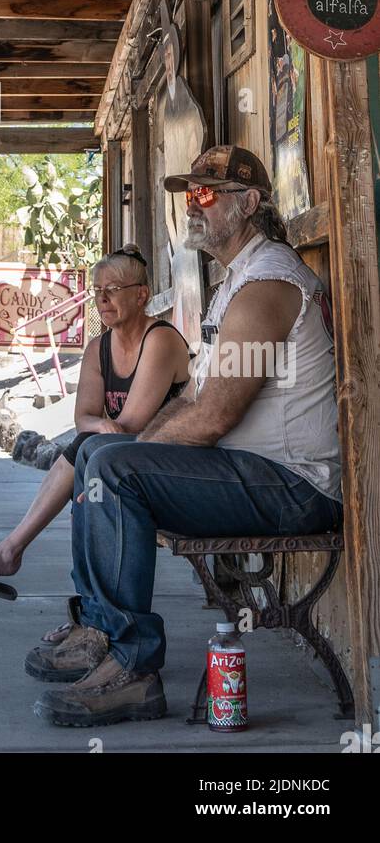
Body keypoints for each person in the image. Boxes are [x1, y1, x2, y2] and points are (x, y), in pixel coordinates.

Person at [29, 146, 343, 728]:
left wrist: (132, 454)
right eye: (187, 195)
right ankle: (100, 627)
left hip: (294, 485)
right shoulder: (235, 281)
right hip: (251, 472)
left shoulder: (267, 285)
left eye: (206, 194)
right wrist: (124, 446)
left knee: (114, 466)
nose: (191, 207)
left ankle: (133, 670)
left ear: (248, 204)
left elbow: (214, 417)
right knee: (98, 449)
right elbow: (193, 401)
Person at [0, 246, 189, 603]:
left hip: (174, 464)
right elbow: (85, 417)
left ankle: (11, 553)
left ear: (141, 294)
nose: (102, 299)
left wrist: (101, 428)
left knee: (89, 455)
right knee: (88, 460)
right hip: (125, 462)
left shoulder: (160, 339)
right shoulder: (98, 348)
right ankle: (82, 609)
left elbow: (132, 423)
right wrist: (101, 427)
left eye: (113, 290)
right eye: (97, 291)